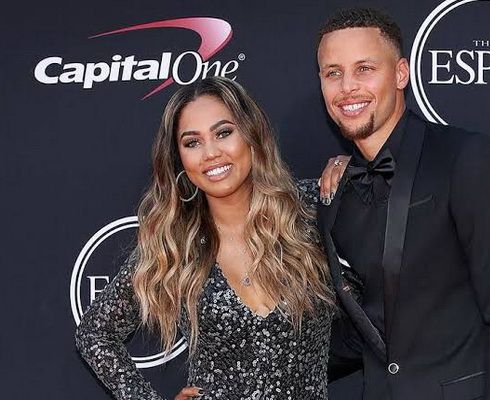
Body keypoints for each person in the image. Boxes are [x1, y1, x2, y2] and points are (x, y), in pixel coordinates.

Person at [315, 8, 490, 400]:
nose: (347, 87)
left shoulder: (467, 160)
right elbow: (364, 332)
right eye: (333, 73)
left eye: (364, 68)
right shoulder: (337, 193)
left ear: (401, 73)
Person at [76, 77, 335, 400]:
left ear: (252, 134)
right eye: (192, 143)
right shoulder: (176, 243)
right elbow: (94, 333)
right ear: (179, 158)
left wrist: (347, 167)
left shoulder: (311, 210)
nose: (211, 153)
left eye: (223, 133)